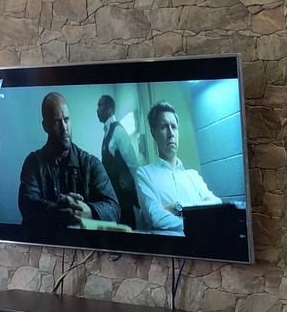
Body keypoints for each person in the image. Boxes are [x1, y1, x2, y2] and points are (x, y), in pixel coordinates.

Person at [18, 92, 120, 233]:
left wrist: (88, 211)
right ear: (45, 126)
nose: (64, 128)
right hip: (47, 245)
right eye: (56, 121)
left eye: (66, 119)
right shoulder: (33, 163)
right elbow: (27, 205)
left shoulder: (91, 163)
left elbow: (114, 208)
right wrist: (57, 210)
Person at [134, 101, 221, 232]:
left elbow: (217, 204)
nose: (171, 134)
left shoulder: (193, 176)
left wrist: (176, 207)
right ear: (153, 133)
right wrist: (199, 219)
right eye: (164, 127)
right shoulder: (145, 174)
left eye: (174, 127)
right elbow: (156, 218)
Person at [97, 95, 140, 229]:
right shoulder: (107, 132)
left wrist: (139, 195)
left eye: (100, 105)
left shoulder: (118, 130)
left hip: (123, 197)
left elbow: (133, 164)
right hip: (114, 197)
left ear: (109, 109)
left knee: (127, 230)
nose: (97, 110)